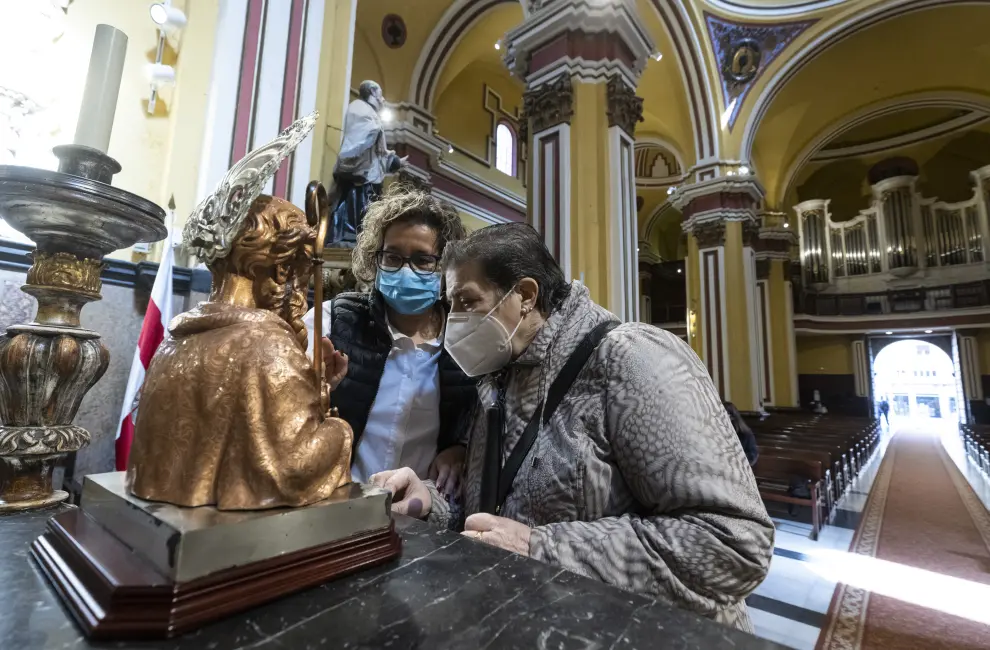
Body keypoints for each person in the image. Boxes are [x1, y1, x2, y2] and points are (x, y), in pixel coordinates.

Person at [370, 223, 774, 631]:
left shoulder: (630, 358)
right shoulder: (498, 376)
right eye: (449, 303)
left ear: (525, 296)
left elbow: (733, 542)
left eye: (466, 301)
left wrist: (542, 548)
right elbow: (496, 510)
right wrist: (432, 503)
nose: (453, 320)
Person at [128, 113, 353, 510]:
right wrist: (339, 428)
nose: (299, 288)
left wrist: (317, 389)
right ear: (281, 269)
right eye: (299, 274)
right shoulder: (267, 346)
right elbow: (294, 467)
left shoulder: (174, 344)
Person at [303, 185, 476, 493]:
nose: (405, 270)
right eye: (392, 257)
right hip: (335, 499)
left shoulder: (468, 340)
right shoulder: (332, 321)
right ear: (375, 258)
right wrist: (317, 392)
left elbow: (482, 419)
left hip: (419, 510)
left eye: (423, 260)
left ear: (446, 266)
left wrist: (462, 447)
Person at [330, 80, 404, 246]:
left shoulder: (371, 113)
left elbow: (377, 153)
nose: (383, 99)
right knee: (355, 208)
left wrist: (393, 161)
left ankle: (363, 238)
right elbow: (358, 141)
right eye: (380, 93)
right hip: (359, 174)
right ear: (372, 91)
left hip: (369, 175)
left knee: (369, 210)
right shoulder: (359, 108)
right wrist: (376, 129)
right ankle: (350, 236)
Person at [724, 402, 759, 467]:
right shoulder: (717, 432)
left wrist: (733, 460)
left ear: (732, 416)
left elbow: (752, 456)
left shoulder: (745, 434)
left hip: (739, 469)